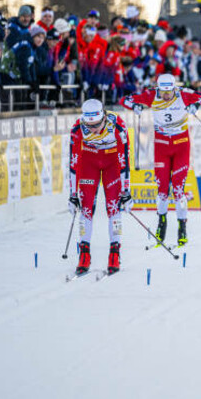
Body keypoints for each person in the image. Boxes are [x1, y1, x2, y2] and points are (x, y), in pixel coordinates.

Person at [119, 74, 201, 247]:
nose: (166, 95)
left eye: (169, 91)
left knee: (178, 188)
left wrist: (196, 105)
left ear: (174, 88)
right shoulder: (151, 94)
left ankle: (182, 226)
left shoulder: (183, 93)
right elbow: (124, 99)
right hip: (162, 147)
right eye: (163, 92)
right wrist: (135, 106)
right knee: (162, 189)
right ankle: (161, 224)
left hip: (181, 146)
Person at [68, 99, 132, 275]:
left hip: (112, 161)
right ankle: (84, 255)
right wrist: (72, 195)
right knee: (86, 208)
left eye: (96, 124)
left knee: (113, 207)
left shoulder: (117, 125)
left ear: (104, 117)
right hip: (90, 162)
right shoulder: (77, 129)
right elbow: (74, 162)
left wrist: (126, 191)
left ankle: (114, 253)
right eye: (89, 125)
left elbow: (124, 159)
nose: (93, 129)